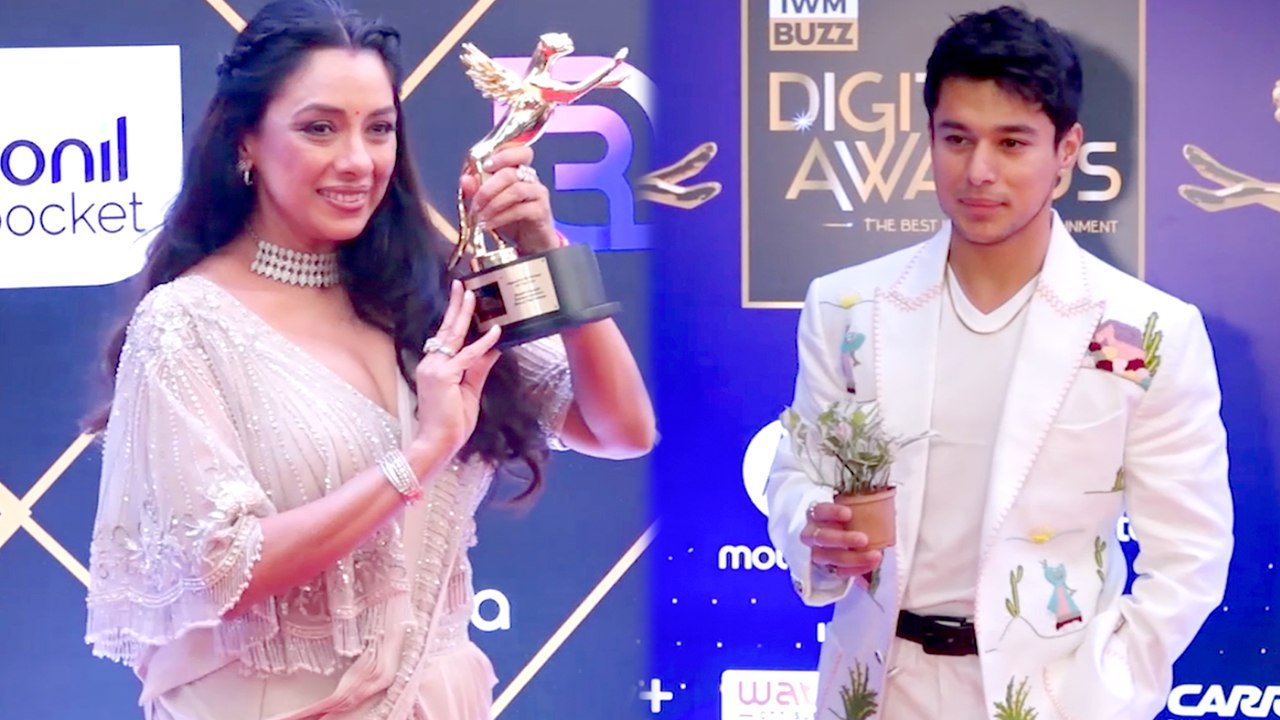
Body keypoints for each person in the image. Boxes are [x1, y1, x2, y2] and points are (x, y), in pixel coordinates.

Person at [82, 1, 655, 718]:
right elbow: (220, 571)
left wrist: (546, 250)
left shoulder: (424, 293)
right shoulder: (186, 323)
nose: (357, 161)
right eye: (320, 128)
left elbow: (621, 429)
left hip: (438, 697)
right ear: (245, 140)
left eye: (378, 128)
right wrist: (423, 454)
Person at [765, 6, 1232, 720]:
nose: (979, 171)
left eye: (1012, 142)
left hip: (1055, 697)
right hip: (877, 688)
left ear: (1066, 150)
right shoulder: (848, 308)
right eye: (957, 139)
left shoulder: (1144, 331)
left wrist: (1108, 688)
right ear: (929, 139)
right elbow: (797, 474)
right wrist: (817, 534)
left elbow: (1190, 548)